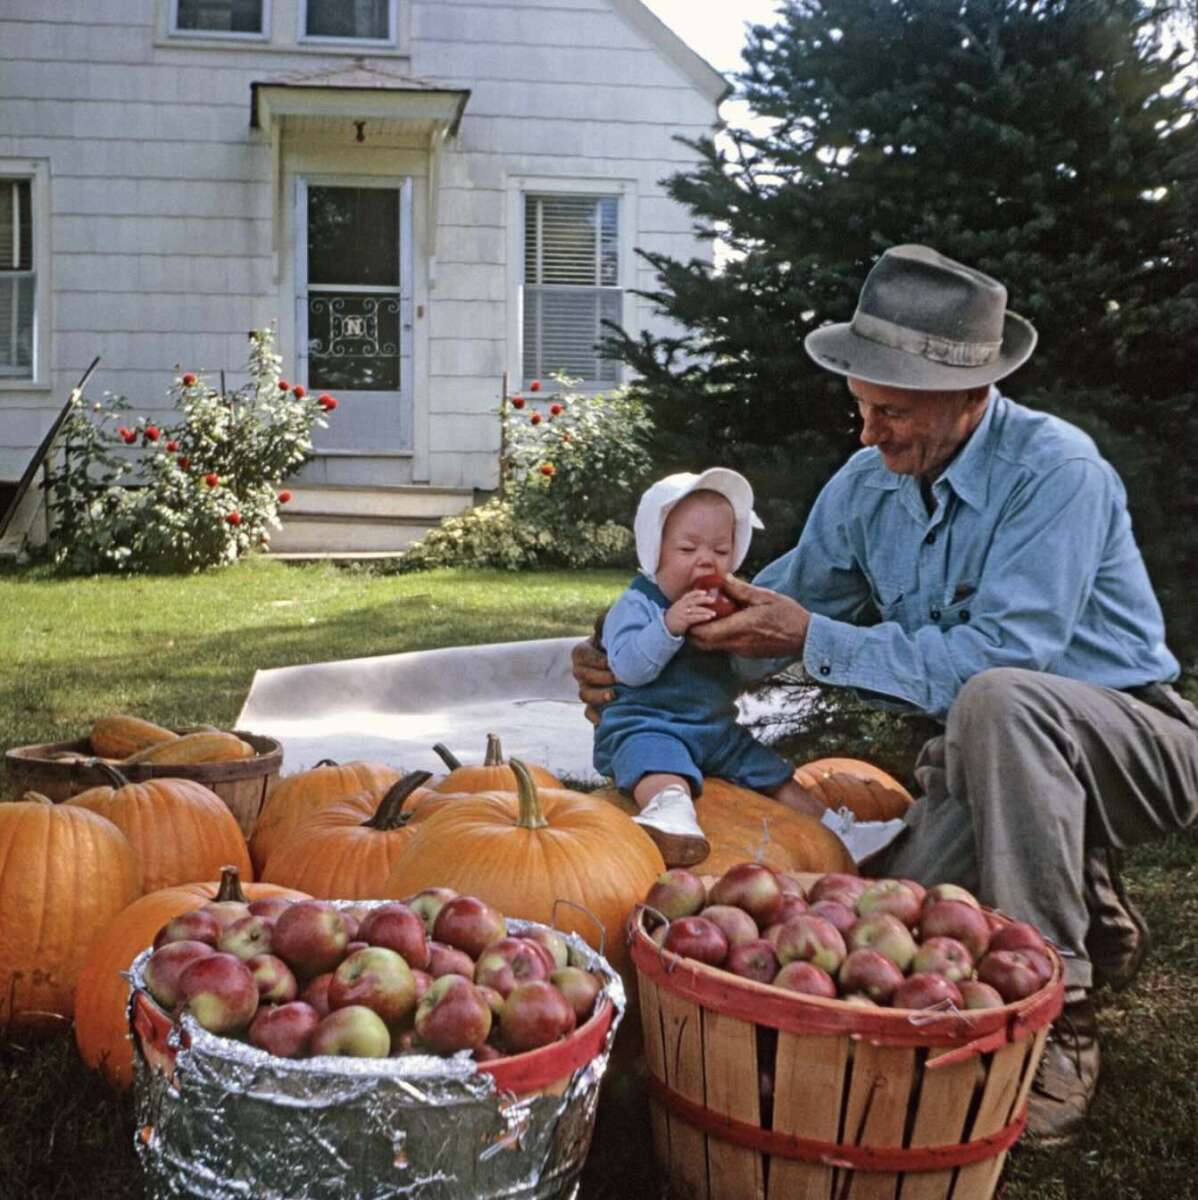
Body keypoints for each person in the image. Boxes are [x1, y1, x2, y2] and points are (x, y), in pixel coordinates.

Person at [573, 243, 1198, 1139]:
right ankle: (1094, 908)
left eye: (891, 411)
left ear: (971, 396)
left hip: (1139, 740)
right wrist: (634, 649)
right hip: (989, 758)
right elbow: (756, 623)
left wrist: (815, 638)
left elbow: (998, 664)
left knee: (997, 699)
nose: (868, 434)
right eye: (861, 407)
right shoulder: (868, 486)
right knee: (879, 919)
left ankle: (1064, 1014)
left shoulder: (1057, 473)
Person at [594, 468, 826, 866]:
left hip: (713, 730)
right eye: (688, 550)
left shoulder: (721, 605)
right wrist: (669, 625)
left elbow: (740, 671)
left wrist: (749, 644)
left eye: (720, 552)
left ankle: (833, 830)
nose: (705, 561)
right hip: (649, 723)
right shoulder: (637, 605)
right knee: (658, 763)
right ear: (656, 549)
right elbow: (630, 668)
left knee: (774, 773)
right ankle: (670, 814)